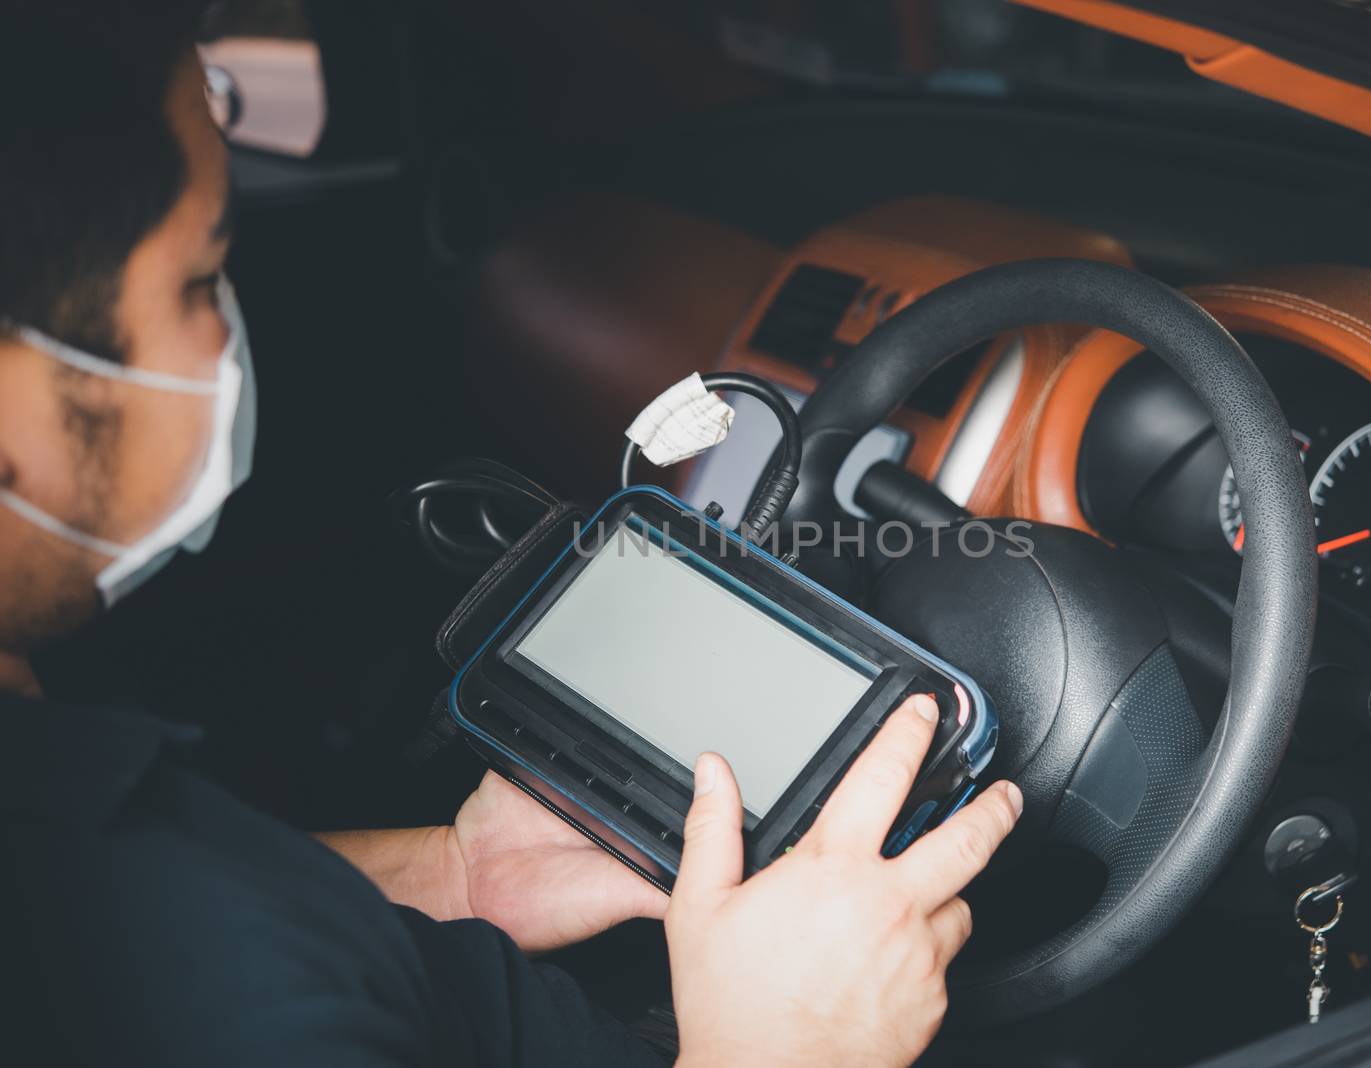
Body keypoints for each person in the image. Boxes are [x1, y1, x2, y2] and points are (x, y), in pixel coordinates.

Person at [0, 5, 1023, 1065]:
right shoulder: (247, 1007)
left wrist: (448, 880)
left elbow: (185, 893)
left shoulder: (71, 811)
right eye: (199, 278)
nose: (226, 327)